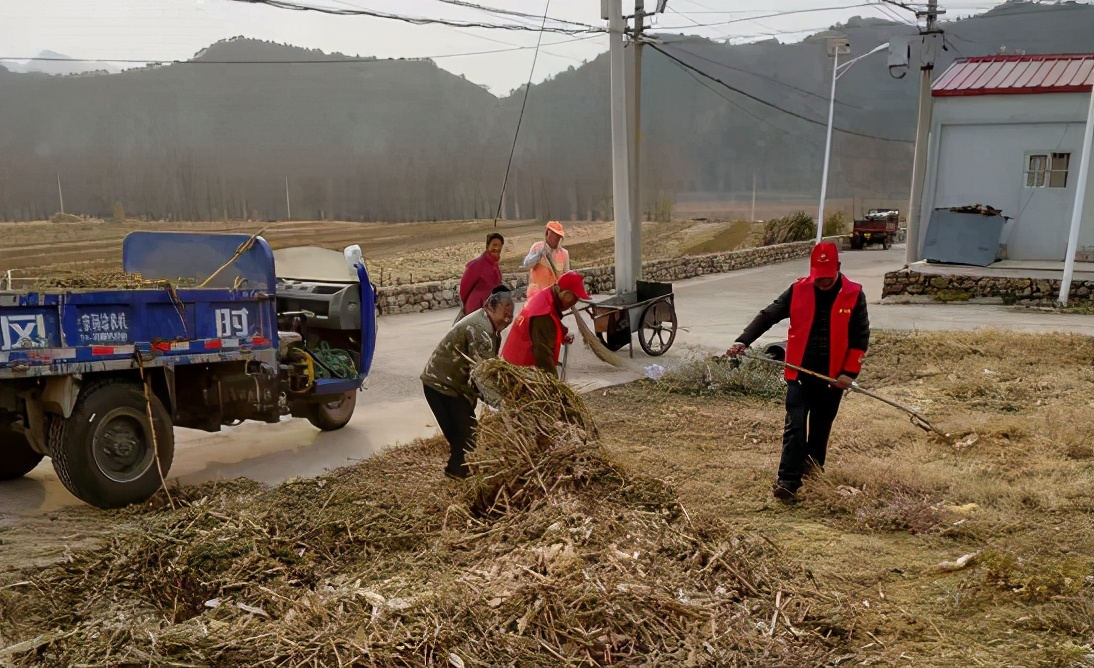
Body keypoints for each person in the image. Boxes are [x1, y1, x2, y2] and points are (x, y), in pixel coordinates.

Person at [727, 241, 870, 502]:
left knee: (820, 427)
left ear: (838, 268)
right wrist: (743, 340)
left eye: (827, 278)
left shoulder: (854, 294)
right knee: (795, 427)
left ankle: (813, 474)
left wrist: (849, 373)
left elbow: (860, 338)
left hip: (832, 378)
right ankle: (787, 483)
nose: (822, 283)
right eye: (818, 278)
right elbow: (768, 315)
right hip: (799, 373)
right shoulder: (798, 289)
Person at [421, 285, 515, 480]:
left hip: (454, 386)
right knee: (466, 438)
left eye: (510, 315)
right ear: (490, 306)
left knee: (464, 437)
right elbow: (481, 375)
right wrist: (500, 404)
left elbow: (488, 369)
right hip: (442, 385)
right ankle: (459, 477)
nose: (507, 319)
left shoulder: (490, 327)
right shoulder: (480, 329)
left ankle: (459, 474)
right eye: (504, 311)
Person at [501, 270, 589, 377]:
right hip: (520, 369)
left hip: (514, 361)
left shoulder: (547, 296)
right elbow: (543, 355)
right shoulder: (543, 314)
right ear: (566, 294)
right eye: (574, 299)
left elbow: (552, 323)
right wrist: (554, 385)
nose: (573, 304)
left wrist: (562, 332)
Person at [458, 232, 505, 318]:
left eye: (500, 245)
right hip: (475, 312)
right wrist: (466, 305)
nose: (497, 248)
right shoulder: (476, 265)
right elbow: (464, 290)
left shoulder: (494, 266)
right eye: (494, 244)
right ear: (487, 246)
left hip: (491, 312)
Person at [522, 220, 570, 299]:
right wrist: (539, 254)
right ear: (547, 233)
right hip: (536, 296)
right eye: (554, 235)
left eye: (559, 236)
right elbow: (527, 264)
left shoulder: (564, 253)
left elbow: (566, 275)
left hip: (553, 296)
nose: (556, 238)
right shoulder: (537, 247)